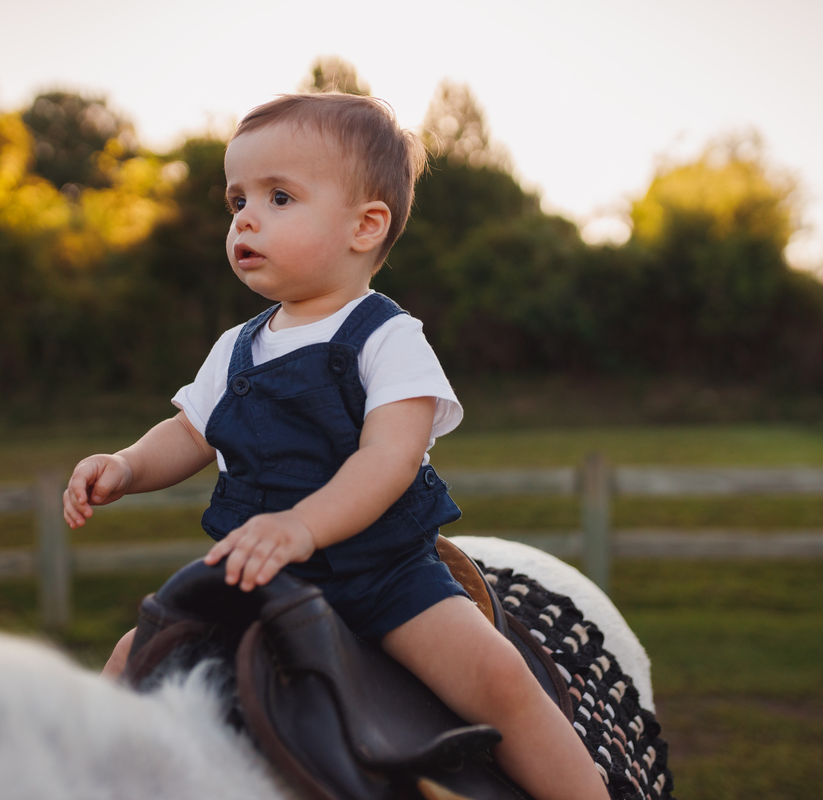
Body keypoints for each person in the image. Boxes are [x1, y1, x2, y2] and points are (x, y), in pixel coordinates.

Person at [62, 93, 610, 800]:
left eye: (279, 196)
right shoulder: (237, 347)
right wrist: (127, 465)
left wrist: (302, 526)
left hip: (380, 575)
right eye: (237, 201)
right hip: (250, 570)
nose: (245, 219)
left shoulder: (387, 338)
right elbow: (191, 432)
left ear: (366, 225)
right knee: (132, 658)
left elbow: (388, 459)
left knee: (499, 679)